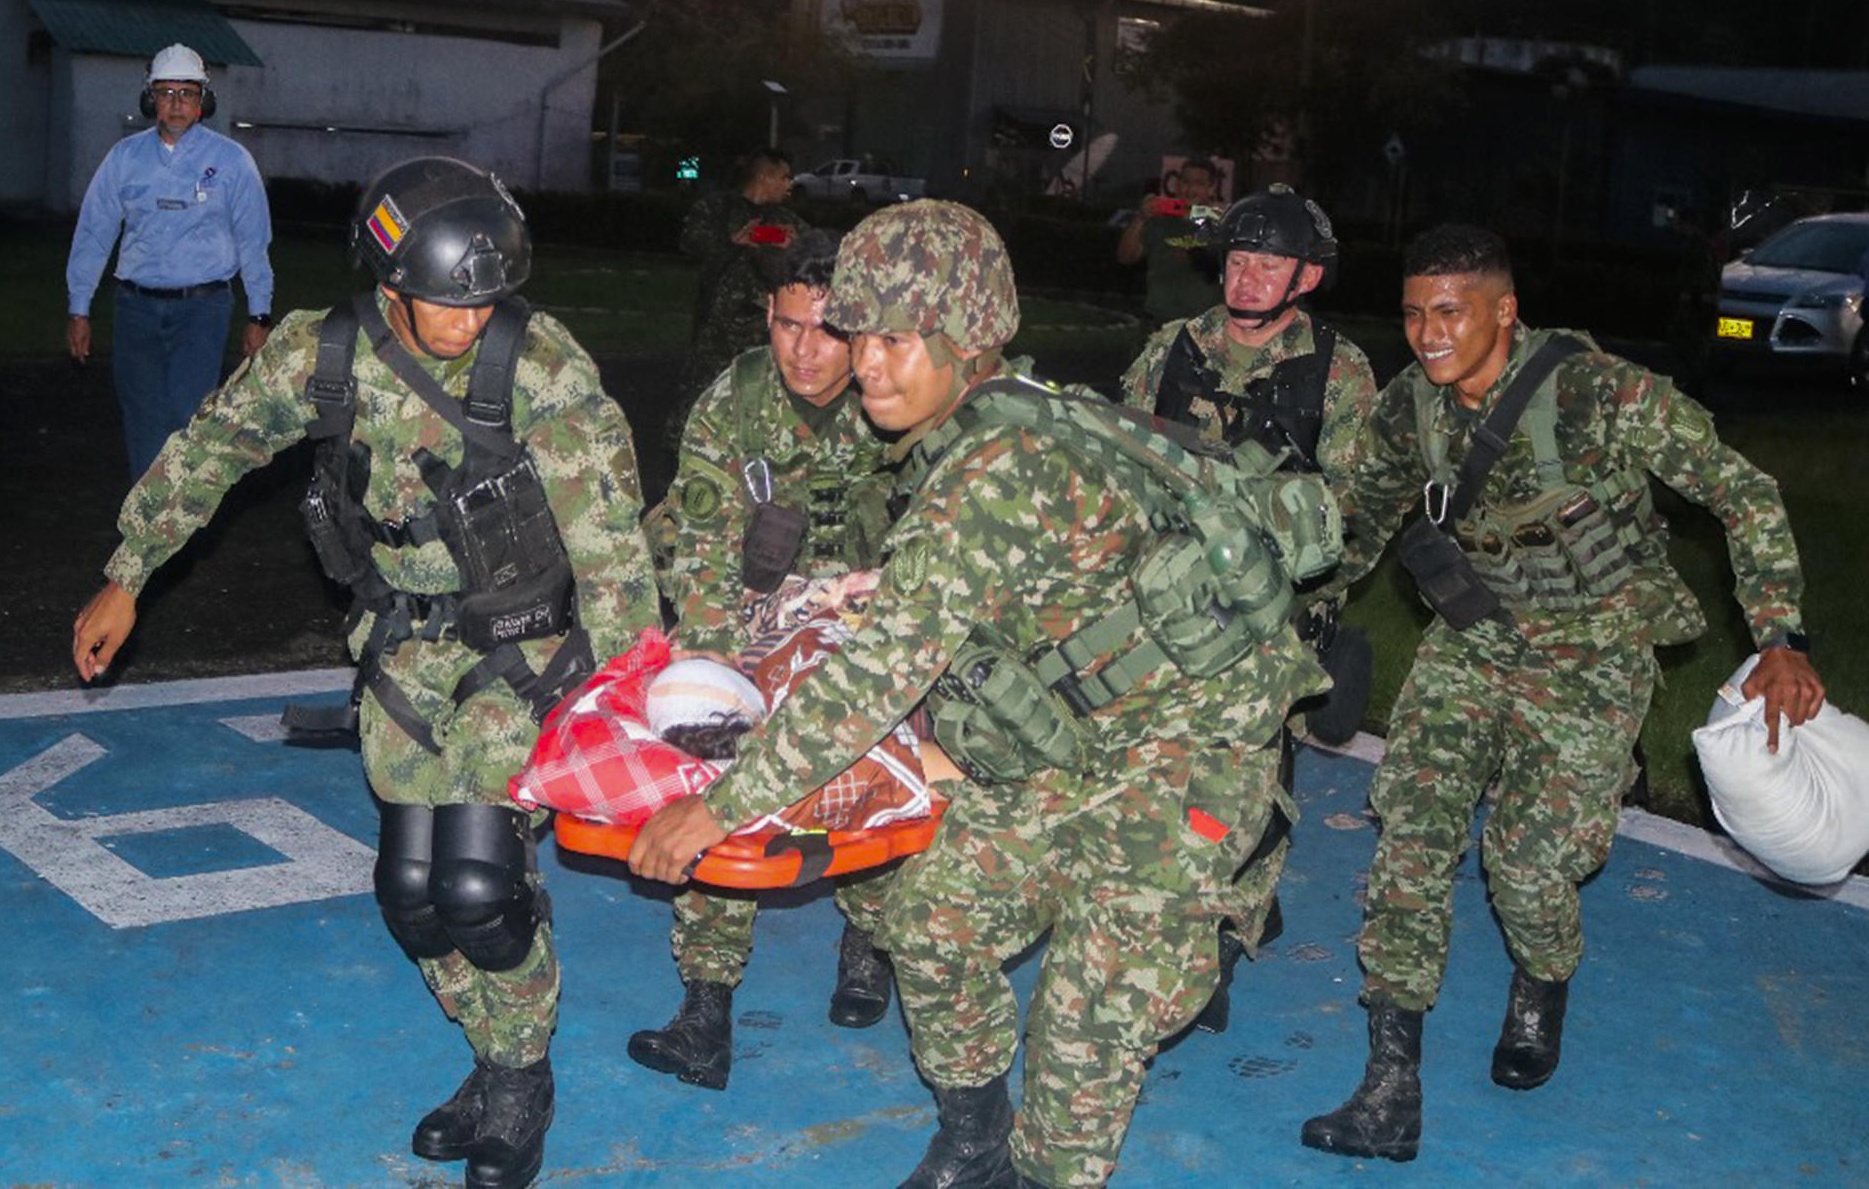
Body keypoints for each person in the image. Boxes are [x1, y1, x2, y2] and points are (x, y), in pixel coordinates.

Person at [629, 201, 1341, 1187]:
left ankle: (1040, 1163)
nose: (864, 362)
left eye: (890, 338)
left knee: (1080, 1046)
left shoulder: (996, 467)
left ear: (965, 341)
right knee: (923, 907)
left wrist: (716, 806)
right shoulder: (1006, 413)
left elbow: (877, 675)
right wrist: (894, 586)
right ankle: (972, 1139)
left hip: (1187, 763)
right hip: (1077, 741)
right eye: (853, 334)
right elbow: (1039, 571)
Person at [70, 156, 659, 1189]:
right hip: (401, 651)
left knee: (480, 890)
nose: (469, 321)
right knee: (411, 896)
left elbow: (610, 547)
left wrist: (631, 711)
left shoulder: (543, 368)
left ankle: (522, 1078)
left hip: (517, 651)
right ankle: (491, 1052)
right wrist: (127, 573)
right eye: (445, 303)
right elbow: (211, 448)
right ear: (391, 284)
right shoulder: (322, 356)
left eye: (485, 301)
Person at [1299, 224, 1826, 1163]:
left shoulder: (1600, 391)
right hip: (1472, 645)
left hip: (1593, 657)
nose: (1427, 332)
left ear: (1505, 309)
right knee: (1411, 839)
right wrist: (1307, 609)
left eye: (1450, 310)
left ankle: (1542, 984)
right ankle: (1390, 1090)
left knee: (1528, 866)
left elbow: (1741, 492)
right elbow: (1361, 518)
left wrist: (1780, 636)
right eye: (1414, 312)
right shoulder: (1408, 408)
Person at [630, 229, 901, 1091]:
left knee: (875, 774)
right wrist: (716, 660)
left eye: (829, 332)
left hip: (876, 616)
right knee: (718, 776)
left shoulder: (897, 393)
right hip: (753, 614)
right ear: (768, 314)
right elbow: (702, 539)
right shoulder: (737, 398)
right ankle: (705, 1009)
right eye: (788, 326)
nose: (805, 352)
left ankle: (869, 937)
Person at [1119, 182, 1376, 1036]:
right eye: (1237, 258)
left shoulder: (1337, 369)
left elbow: (1354, 508)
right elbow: (1119, 457)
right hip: (1167, 605)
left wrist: (1305, 593)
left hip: (1272, 617)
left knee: (1251, 790)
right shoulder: (1172, 348)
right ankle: (1172, 914)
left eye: (1269, 263)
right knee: (1156, 778)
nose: (1249, 276)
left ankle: (1224, 940)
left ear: (1305, 278)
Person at [65, 43, 274, 480]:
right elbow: (94, 233)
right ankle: (149, 518)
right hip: (136, 308)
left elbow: (254, 241)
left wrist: (259, 313)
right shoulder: (124, 158)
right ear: (150, 100)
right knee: (141, 413)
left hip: (203, 309)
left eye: (187, 93)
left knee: (187, 412)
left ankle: (182, 511)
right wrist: (79, 307)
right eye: (166, 93)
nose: (177, 103)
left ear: (203, 102)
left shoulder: (232, 162)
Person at [678, 146, 806, 399]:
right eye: (784, 177)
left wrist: (795, 248)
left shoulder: (785, 219)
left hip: (764, 331)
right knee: (701, 399)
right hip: (717, 331)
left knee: (760, 399)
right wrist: (733, 243)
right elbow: (690, 243)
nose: (789, 184)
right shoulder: (717, 209)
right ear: (764, 177)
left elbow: (816, 255)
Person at [1114, 157, 1226, 328]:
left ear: (1211, 188)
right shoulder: (1159, 220)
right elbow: (1125, 257)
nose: (1189, 189)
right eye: (1185, 182)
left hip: (1203, 325)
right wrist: (1141, 217)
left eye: (1199, 183)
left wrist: (1211, 216)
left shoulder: (1220, 223)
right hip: (1158, 321)